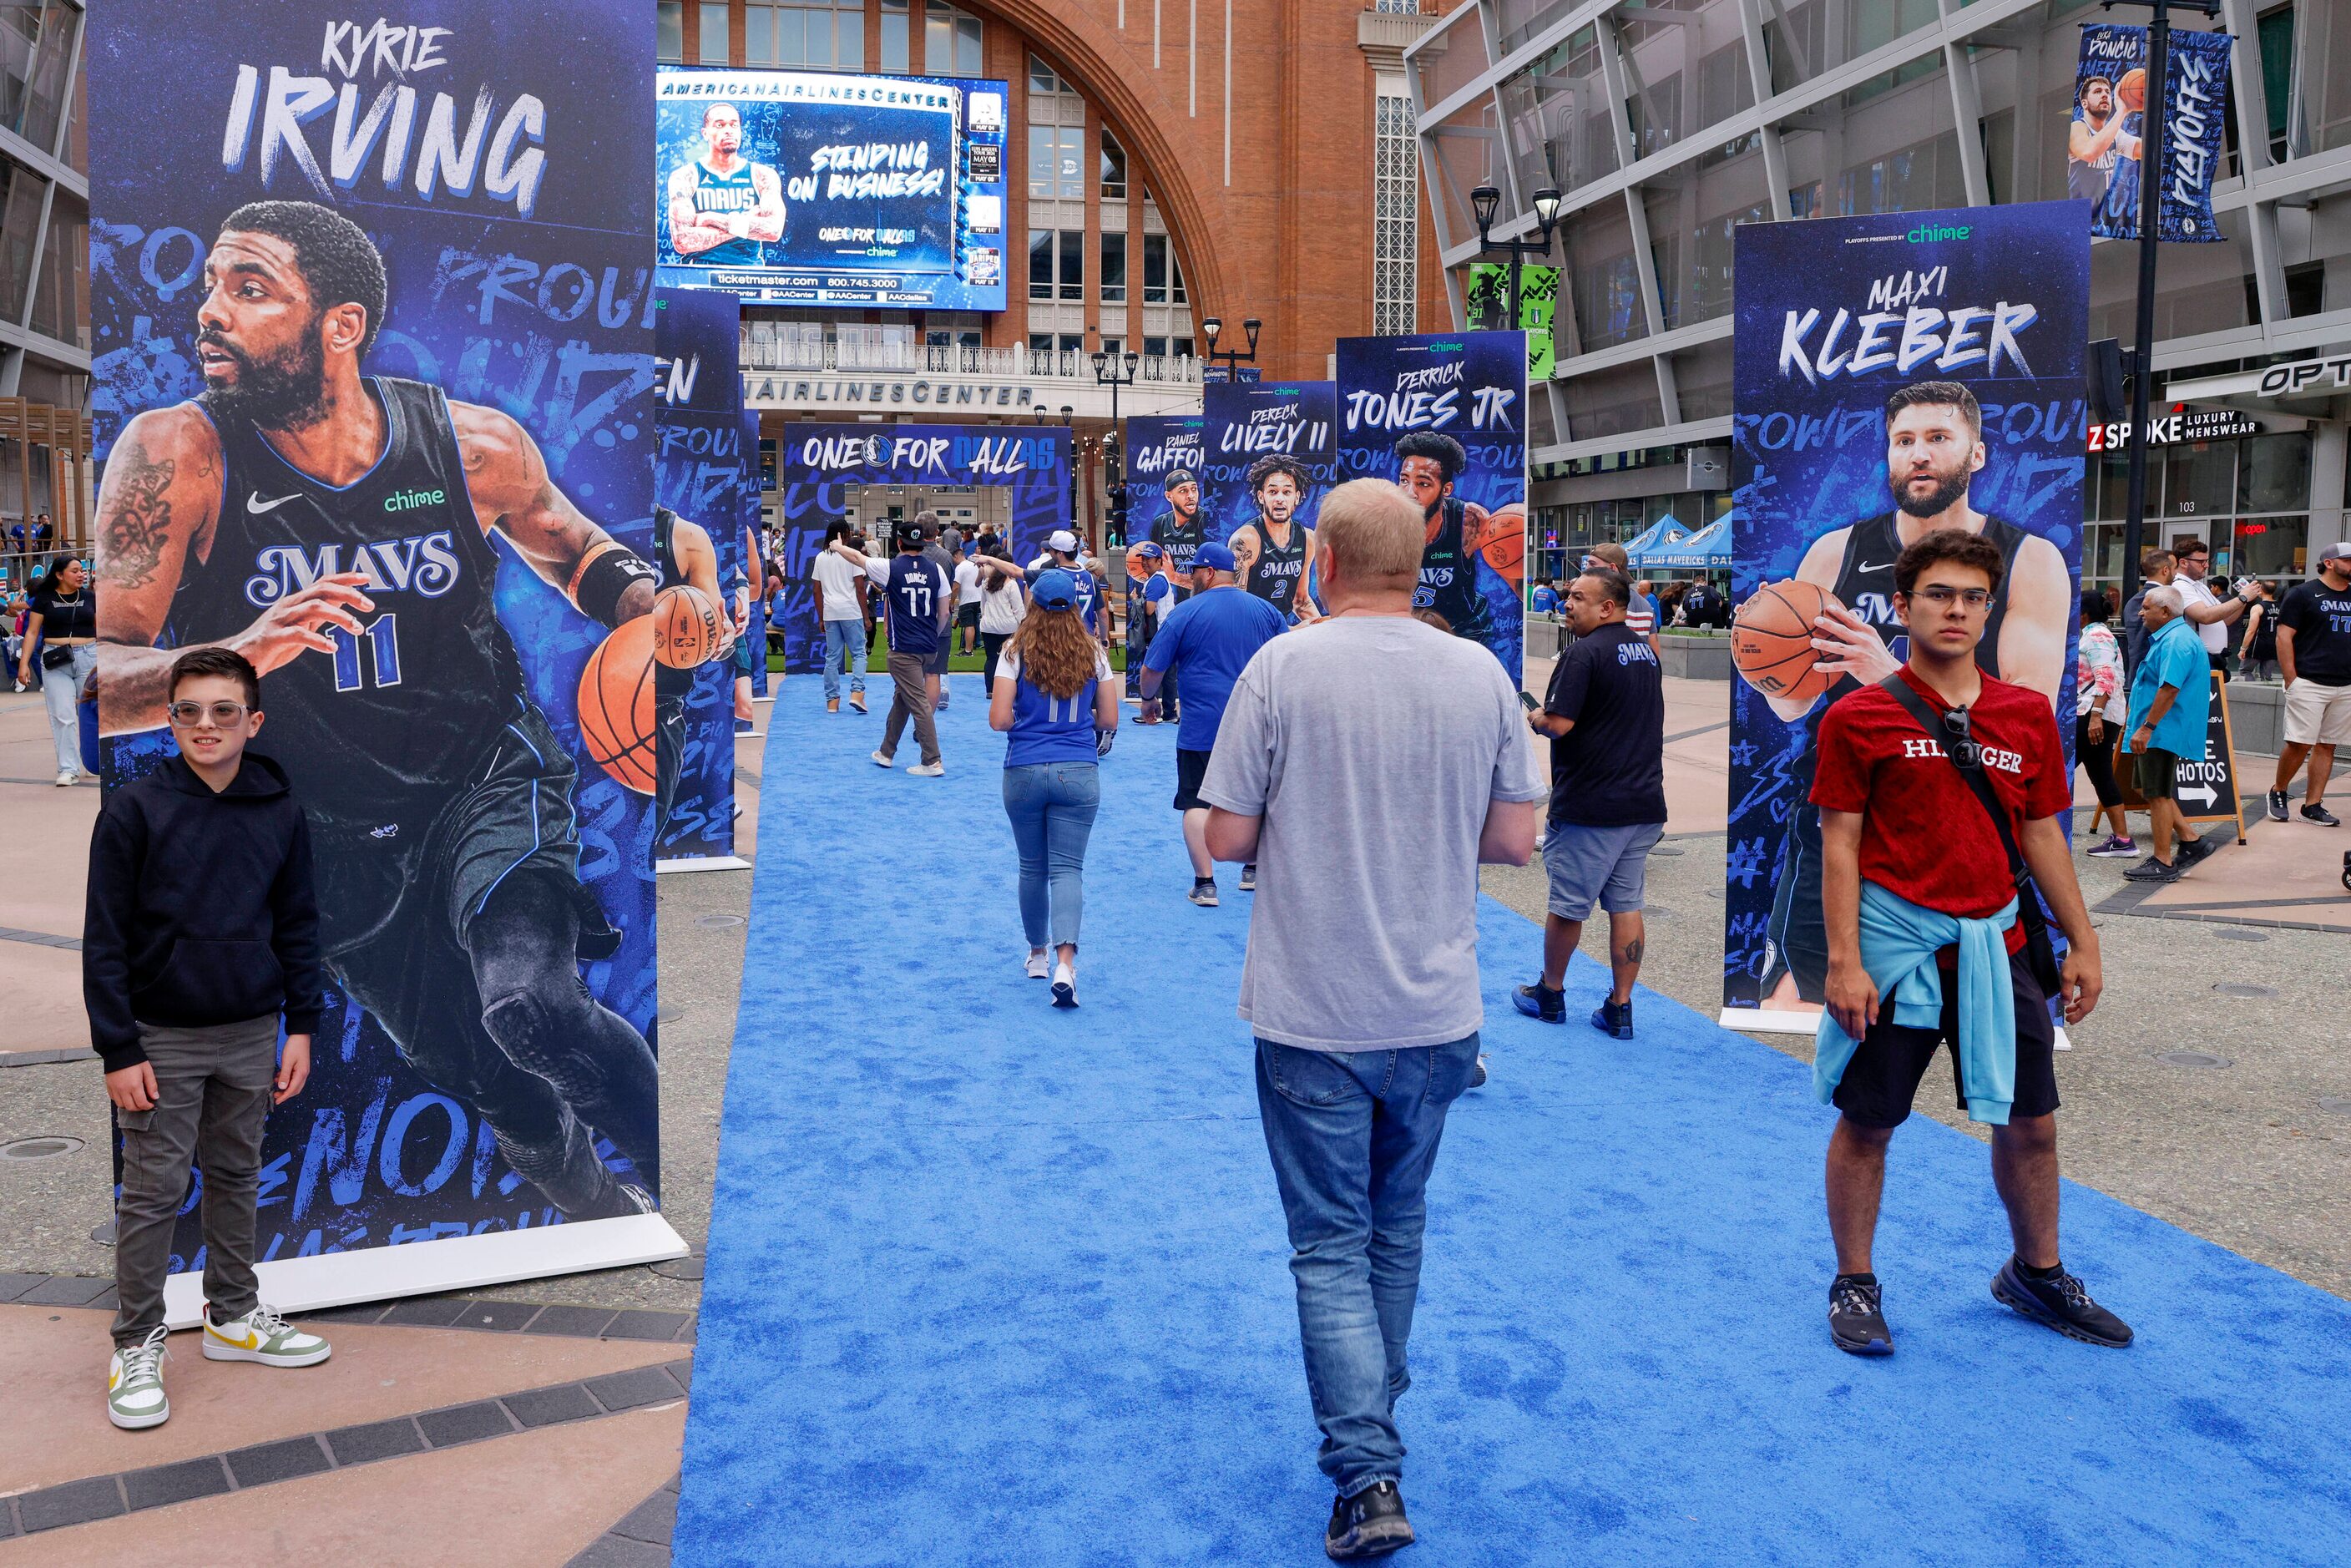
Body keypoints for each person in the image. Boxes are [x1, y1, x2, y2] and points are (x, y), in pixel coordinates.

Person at [94, 200, 661, 1220]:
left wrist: (659, 610)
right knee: (485, 1075)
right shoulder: (178, 454)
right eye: (211, 283)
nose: (209, 310)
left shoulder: (470, 444)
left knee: (532, 1004)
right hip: (327, 832)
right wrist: (236, 655)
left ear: (341, 324)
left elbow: (577, 553)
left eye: (249, 287)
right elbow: (92, 676)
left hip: (484, 776)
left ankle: (663, 1175)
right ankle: (599, 1213)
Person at [1197, 478, 1545, 1559]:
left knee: (1329, 1246)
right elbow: (1515, 842)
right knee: (1394, 1228)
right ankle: (1371, 1413)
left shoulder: (1285, 667)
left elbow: (1225, 836)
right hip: (1437, 1009)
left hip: (1315, 1007)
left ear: (1325, 561)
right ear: (1420, 555)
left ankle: (1366, 1468)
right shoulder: (1479, 671)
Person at [1810, 528, 2122, 1358]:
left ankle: (2034, 1271)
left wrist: (2081, 942)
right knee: (1868, 1122)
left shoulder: (2021, 715)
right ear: (1902, 607)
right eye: (1938, 595)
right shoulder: (1858, 715)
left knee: (2031, 1124)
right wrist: (1841, 960)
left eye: (1971, 597)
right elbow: (1837, 842)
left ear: (1988, 610)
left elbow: (2042, 837)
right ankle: (1853, 1281)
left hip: (1996, 944)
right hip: (1894, 949)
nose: (1954, 610)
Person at [1758, 380, 2070, 1012]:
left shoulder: (2028, 560)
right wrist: (1761, 657)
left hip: (1958, 827)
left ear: (1976, 455)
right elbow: (1792, 704)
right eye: (1904, 441)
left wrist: (1888, 679)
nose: (1918, 454)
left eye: (1937, 438)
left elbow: (2018, 730)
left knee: (1975, 1025)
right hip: (1844, 814)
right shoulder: (1836, 550)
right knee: (1797, 1004)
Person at [83, 646, 334, 1432]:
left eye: (224, 710)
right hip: (161, 1039)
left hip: (253, 1030)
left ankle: (233, 1317)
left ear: (252, 721)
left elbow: (296, 925)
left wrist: (301, 1025)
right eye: (189, 710)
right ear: (169, 719)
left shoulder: (278, 808)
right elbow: (104, 940)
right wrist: (119, 1048)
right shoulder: (134, 811)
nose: (206, 724)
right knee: (153, 1196)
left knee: (236, 1174)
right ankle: (135, 1342)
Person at [1514, 565, 1666, 1039]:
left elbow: (1560, 723)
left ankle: (1551, 993)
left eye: (1578, 597)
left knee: (1568, 906)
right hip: (1643, 802)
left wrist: (1537, 717)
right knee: (1626, 904)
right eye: (1568, 595)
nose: (1567, 603)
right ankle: (1621, 1007)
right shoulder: (1645, 652)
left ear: (1608, 606)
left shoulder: (1583, 654)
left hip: (1592, 805)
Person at [990, 569, 1119, 1007]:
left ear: (1033, 603)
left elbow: (999, 719)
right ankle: (1067, 964)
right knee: (1068, 871)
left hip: (1024, 768)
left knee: (1032, 868)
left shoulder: (1014, 650)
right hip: (1078, 770)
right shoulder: (1094, 654)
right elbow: (1109, 720)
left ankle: (1037, 954)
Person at [1139, 541, 1284, 906]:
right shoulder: (1266, 610)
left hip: (1201, 728)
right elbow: (1288, 661)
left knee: (1195, 802)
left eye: (1195, 572)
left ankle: (1205, 884)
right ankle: (1252, 870)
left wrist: (1149, 699)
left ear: (1206, 573)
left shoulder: (1186, 612)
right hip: (1256, 728)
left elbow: (1152, 668)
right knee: (1257, 798)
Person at [832, 526, 949, 776]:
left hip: (904, 648)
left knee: (917, 702)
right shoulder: (936, 570)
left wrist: (837, 546)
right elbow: (945, 613)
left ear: (899, 543)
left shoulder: (890, 567)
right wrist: (933, 635)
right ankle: (887, 752)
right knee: (903, 699)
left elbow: (857, 558)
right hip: (928, 647)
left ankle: (932, 760)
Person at [1393, 431, 1522, 650]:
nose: (1410, 493)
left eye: (1423, 484)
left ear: (1446, 490)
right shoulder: (1384, 521)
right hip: (1407, 633)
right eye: (1404, 481)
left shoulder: (1468, 523)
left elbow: (1518, 586)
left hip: (1462, 635)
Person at [2120, 584, 2213, 883]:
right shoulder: (2174, 637)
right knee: (2144, 788)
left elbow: (2169, 688)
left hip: (2162, 730)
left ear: (2165, 611)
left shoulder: (2176, 640)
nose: (2140, 612)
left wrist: (2147, 728)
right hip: (2158, 728)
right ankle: (2190, 839)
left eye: (2146, 607)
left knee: (2157, 794)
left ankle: (2163, 861)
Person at [654, 506, 734, 838]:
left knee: (648, 828)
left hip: (659, 706)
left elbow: (715, 620)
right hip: (594, 700)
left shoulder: (685, 537)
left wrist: (722, 636)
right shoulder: (590, 519)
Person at [2268, 541, 2351, 827]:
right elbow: (2283, 637)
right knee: (2300, 742)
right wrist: (2291, 679)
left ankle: (2312, 805)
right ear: (2329, 562)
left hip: (2345, 684)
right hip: (2309, 680)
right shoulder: (2303, 594)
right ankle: (2279, 791)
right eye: (2348, 560)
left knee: (2327, 745)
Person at [665, 101, 786, 265]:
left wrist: (710, 218)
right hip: (699, 274)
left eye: (734, 125)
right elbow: (682, 241)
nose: (728, 130)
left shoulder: (763, 176)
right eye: (720, 125)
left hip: (748, 274)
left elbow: (773, 231)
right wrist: (744, 223)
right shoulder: (685, 177)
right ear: (705, 133)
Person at [19, 554, 94, 785]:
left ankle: (96, 763)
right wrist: (24, 663)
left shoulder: (91, 597)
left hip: (90, 659)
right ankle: (68, 769)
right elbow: (32, 632)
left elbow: (101, 627)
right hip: (55, 660)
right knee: (63, 716)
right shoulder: (44, 598)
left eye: (82, 570)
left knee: (92, 714)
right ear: (60, 575)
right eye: (75, 570)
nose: (81, 574)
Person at [2075, 589, 2136, 857]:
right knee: (2101, 774)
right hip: (2098, 713)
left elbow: (2106, 677)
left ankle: (2040, 833)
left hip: (2093, 712)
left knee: (2055, 770)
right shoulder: (2095, 634)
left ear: (2084, 613)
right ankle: (2122, 840)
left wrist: (2096, 716)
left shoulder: (2097, 636)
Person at [1228, 454, 1320, 625]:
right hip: (1248, 630)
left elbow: (1300, 602)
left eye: (1287, 492)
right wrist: (1285, 631)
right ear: (1261, 496)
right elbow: (1235, 609)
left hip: (1280, 631)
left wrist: (1323, 628)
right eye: (1273, 492)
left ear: (1297, 497)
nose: (1280, 498)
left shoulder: (1307, 539)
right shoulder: (1246, 540)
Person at [2168, 535, 2256, 680]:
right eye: (2201, 562)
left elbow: (2224, 619)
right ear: (2183, 563)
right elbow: (2204, 616)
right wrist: (2242, 598)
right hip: (2199, 657)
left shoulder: (2200, 586)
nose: (2206, 565)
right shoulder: (2181, 586)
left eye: (2206, 561)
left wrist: (2244, 599)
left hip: (2213, 658)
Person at [813, 521, 870, 714]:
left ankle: (832, 701)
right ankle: (857, 692)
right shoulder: (852, 557)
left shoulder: (820, 557)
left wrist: (821, 617)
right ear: (845, 534)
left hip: (831, 612)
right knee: (859, 654)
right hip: (851, 610)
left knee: (832, 657)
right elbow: (860, 588)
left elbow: (817, 591)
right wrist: (867, 616)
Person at [918, 513, 958, 711]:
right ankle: (927, 721)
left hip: (913, 624)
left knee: (911, 675)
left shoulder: (907, 556)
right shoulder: (945, 557)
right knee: (934, 673)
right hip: (938, 622)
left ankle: (918, 719)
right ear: (937, 532)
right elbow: (948, 587)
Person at [2066, 74, 2125, 206]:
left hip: (2098, 220)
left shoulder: (2116, 134)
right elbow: (2089, 153)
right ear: (2084, 103)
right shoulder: (2077, 127)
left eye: (2107, 92)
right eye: (2098, 92)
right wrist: (2122, 112)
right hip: (2076, 217)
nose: (2104, 95)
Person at [976, 554, 1027, 696]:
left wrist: (985, 618)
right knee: (1009, 659)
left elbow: (983, 605)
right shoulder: (1011, 584)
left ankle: (990, 690)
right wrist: (1023, 624)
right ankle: (1006, 690)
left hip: (989, 625)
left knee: (991, 658)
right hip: (1008, 626)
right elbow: (1018, 609)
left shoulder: (987, 583)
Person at [1150, 468, 1207, 577]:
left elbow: (1213, 582)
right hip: (1170, 593)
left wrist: (1175, 577)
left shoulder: (1205, 521)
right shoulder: (1160, 523)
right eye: (1183, 491)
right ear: (1169, 496)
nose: (1191, 495)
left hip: (1202, 594)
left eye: (1194, 489)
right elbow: (1155, 567)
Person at [2237, 579, 2278, 681]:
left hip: (2258, 643)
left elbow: (2251, 630)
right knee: (2266, 676)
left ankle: (2250, 695)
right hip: (2274, 644)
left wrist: (2243, 648)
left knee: (2245, 671)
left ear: (2261, 590)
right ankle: (2267, 696)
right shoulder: (2282, 607)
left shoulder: (2258, 607)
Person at [954, 540, 985, 656]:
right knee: (978, 624)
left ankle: (968, 650)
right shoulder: (973, 565)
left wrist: (952, 602)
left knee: (969, 625)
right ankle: (975, 646)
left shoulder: (960, 568)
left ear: (957, 556)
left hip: (967, 600)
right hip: (979, 597)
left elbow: (956, 586)